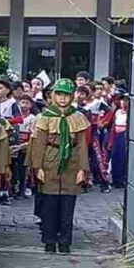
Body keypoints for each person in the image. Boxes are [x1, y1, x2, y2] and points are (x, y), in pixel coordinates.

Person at [29, 79, 90, 254]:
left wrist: (82, 169)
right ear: (53, 96)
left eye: (66, 95)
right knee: (49, 206)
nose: (63, 99)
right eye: (59, 94)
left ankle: (65, 242)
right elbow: (39, 144)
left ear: (72, 97)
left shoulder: (78, 117)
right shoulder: (46, 117)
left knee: (67, 207)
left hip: (71, 163)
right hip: (50, 162)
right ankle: (49, 241)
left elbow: (82, 146)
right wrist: (37, 167)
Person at [12, 96, 37, 199]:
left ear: (31, 105)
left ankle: (23, 189)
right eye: (22, 102)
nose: (24, 105)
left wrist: (23, 146)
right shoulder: (15, 117)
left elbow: (33, 135)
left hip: (26, 147)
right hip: (15, 144)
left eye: (27, 103)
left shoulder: (32, 118)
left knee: (24, 169)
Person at [109, 92, 129, 188]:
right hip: (116, 134)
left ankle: (121, 180)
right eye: (121, 100)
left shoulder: (129, 113)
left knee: (122, 158)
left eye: (124, 100)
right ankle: (114, 179)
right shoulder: (117, 112)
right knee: (115, 157)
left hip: (123, 135)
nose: (122, 102)